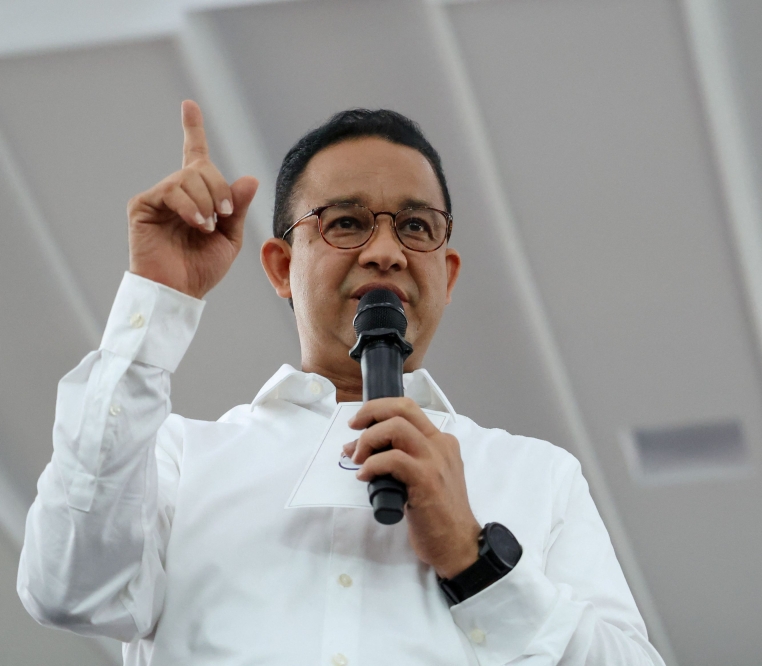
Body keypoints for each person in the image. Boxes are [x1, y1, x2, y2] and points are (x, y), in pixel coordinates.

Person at [17, 100, 665, 666]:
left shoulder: (538, 476)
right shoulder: (182, 460)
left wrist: (475, 560)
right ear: (281, 267)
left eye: (416, 227)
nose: (385, 252)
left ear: (447, 275)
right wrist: (155, 301)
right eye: (346, 222)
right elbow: (67, 591)